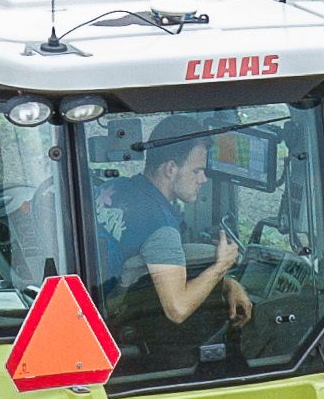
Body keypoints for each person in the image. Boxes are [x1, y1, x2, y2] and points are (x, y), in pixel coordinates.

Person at [97, 113, 256, 343]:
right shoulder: (161, 228)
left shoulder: (115, 187)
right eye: (196, 171)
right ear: (170, 169)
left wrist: (227, 283)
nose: (203, 179)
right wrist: (222, 266)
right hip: (117, 325)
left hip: (97, 298)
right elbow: (178, 309)